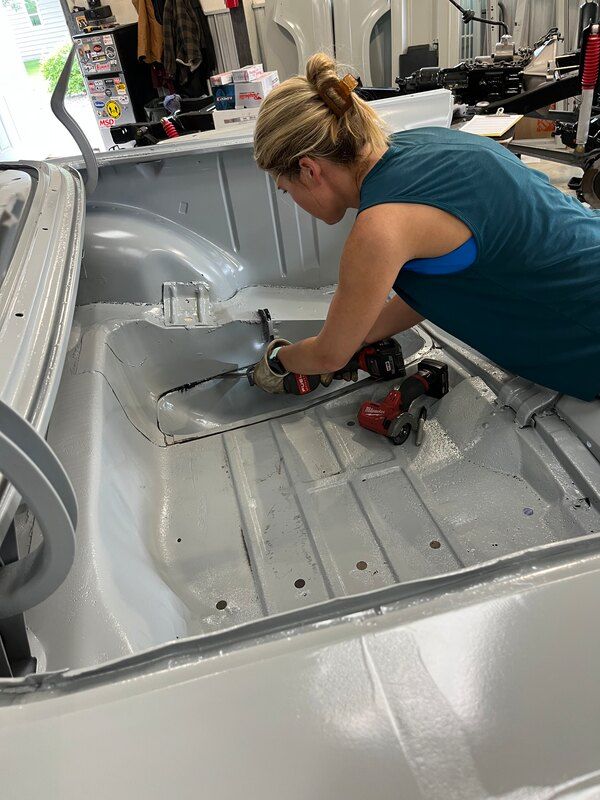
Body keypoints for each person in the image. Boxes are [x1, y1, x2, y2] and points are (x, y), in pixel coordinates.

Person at [251, 53, 600, 401]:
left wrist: (278, 359)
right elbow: (441, 284)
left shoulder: (380, 226)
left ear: (309, 170)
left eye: (286, 189)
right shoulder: (422, 145)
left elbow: (329, 356)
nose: (291, 199)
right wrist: (361, 334)